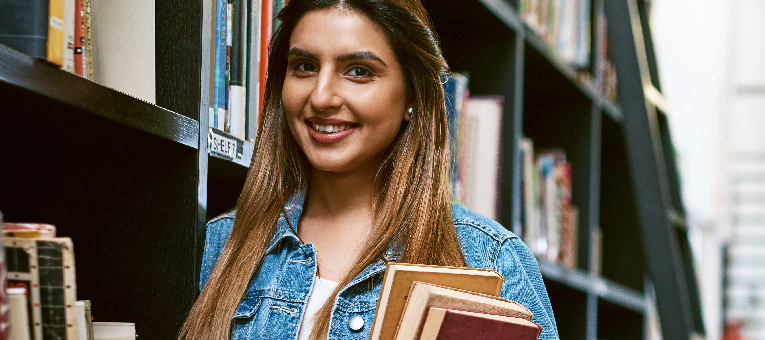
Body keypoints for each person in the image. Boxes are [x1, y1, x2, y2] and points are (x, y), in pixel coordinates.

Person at [180, 0, 558, 339]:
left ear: (412, 94)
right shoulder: (222, 244)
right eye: (305, 67)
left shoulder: (489, 260)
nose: (322, 96)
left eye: (358, 71)